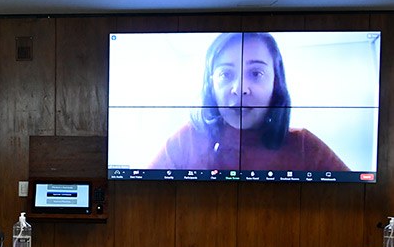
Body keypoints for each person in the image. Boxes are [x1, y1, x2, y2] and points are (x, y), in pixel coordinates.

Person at [149, 32, 349, 171]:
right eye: (225, 74)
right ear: (211, 86)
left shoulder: (305, 146)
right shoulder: (187, 140)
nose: (240, 89)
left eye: (256, 73)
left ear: (275, 82)